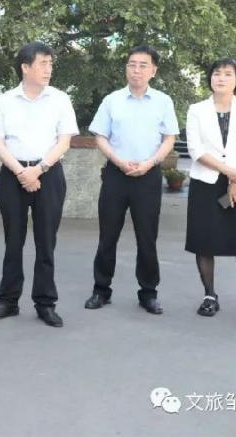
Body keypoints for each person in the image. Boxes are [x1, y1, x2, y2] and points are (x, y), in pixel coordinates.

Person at [0, 42, 78, 328]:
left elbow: (64, 141)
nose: (48, 69)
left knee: (46, 242)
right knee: (13, 240)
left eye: (50, 63)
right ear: (25, 67)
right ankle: (8, 300)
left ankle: (45, 303)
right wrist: (21, 172)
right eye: (42, 63)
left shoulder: (60, 99)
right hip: (12, 175)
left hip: (48, 174)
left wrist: (38, 170)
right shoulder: (5, 101)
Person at [84, 46, 179, 315]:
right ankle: (101, 290)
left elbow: (169, 138)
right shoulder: (112, 100)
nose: (136, 70)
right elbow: (100, 136)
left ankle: (148, 293)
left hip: (148, 175)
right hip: (116, 174)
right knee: (108, 235)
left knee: (147, 237)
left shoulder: (163, 101)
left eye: (142, 65)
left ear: (153, 71)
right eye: (131, 64)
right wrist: (118, 161)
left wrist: (150, 163)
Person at [185, 58, 236, 328]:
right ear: (210, 78)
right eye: (217, 73)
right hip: (206, 182)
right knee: (203, 241)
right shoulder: (197, 109)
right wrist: (229, 173)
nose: (221, 78)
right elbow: (196, 150)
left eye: (227, 74)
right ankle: (210, 295)